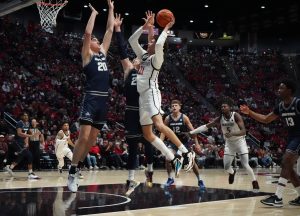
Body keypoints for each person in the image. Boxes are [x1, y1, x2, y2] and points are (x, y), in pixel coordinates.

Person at [128, 11, 194, 173]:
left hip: (151, 94)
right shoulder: (143, 56)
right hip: (142, 97)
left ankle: (186, 153)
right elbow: (132, 40)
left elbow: (158, 44)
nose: (149, 43)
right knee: (148, 135)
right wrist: (145, 26)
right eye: (150, 41)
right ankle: (173, 158)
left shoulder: (157, 59)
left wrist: (167, 28)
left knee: (158, 124)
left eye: (152, 42)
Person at [67, 1, 114, 192]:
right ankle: (71, 171)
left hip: (103, 101)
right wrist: (94, 13)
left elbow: (110, 29)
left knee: (92, 140)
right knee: (83, 136)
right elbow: (87, 34)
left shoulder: (102, 52)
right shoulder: (87, 55)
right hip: (91, 98)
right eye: (94, 39)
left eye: (97, 39)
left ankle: (77, 167)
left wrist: (110, 9)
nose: (96, 39)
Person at [240, 80, 300, 207]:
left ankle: (278, 198)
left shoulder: (298, 103)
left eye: (282, 88)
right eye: (278, 88)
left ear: (289, 90)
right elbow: (266, 119)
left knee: (285, 162)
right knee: (288, 168)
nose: (278, 90)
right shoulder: (280, 106)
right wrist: (249, 112)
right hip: (292, 137)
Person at [114, 12, 154, 196]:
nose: (136, 58)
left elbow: (152, 51)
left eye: (139, 57)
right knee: (131, 147)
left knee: (148, 143)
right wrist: (118, 30)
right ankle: (131, 179)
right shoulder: (129, 70)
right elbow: (122, 49)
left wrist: (150, 29)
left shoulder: (148, 71)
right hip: (131, 112)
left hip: (145, 111)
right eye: (135, 58)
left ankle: (151, 170)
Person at [189, 98, 260, 192]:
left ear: (229, 107)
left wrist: (233, 134)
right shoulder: (220, 118)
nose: (222, 107)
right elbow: (206, 126)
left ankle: (254, 182)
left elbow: (243, 131)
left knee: (245, 164)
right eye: (221, 106)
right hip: (229, 144)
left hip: (240, 142)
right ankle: (232, 172)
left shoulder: (236, 115)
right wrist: (193, 131)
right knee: (226, 167)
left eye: (225, 106)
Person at [161, 99, 205, 190]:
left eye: (176, 105)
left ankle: (200, 180)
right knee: (167, 158)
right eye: (172, 106)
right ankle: (170, 178)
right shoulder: (168, 118)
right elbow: (163, 131)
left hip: (184, 143)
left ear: (180, 107)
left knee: (192, 162)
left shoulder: (184, 117)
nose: (174, 107)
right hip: (172, 143)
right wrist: (160, 143)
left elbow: (193, 132)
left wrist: (197, 144)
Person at [5, 112, 39, 179]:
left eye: (27, 115)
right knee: (29, 155)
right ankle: (30, 173)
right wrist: (30, 135)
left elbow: (26, 134)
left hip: (22, 143)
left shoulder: (28, 124)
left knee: (21, 155)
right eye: (24, 115)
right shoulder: (19, 123)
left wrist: (27, 143)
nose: (26, 117)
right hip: (16, 142)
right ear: (21, 117)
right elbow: (19, 133)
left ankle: (10, 167)